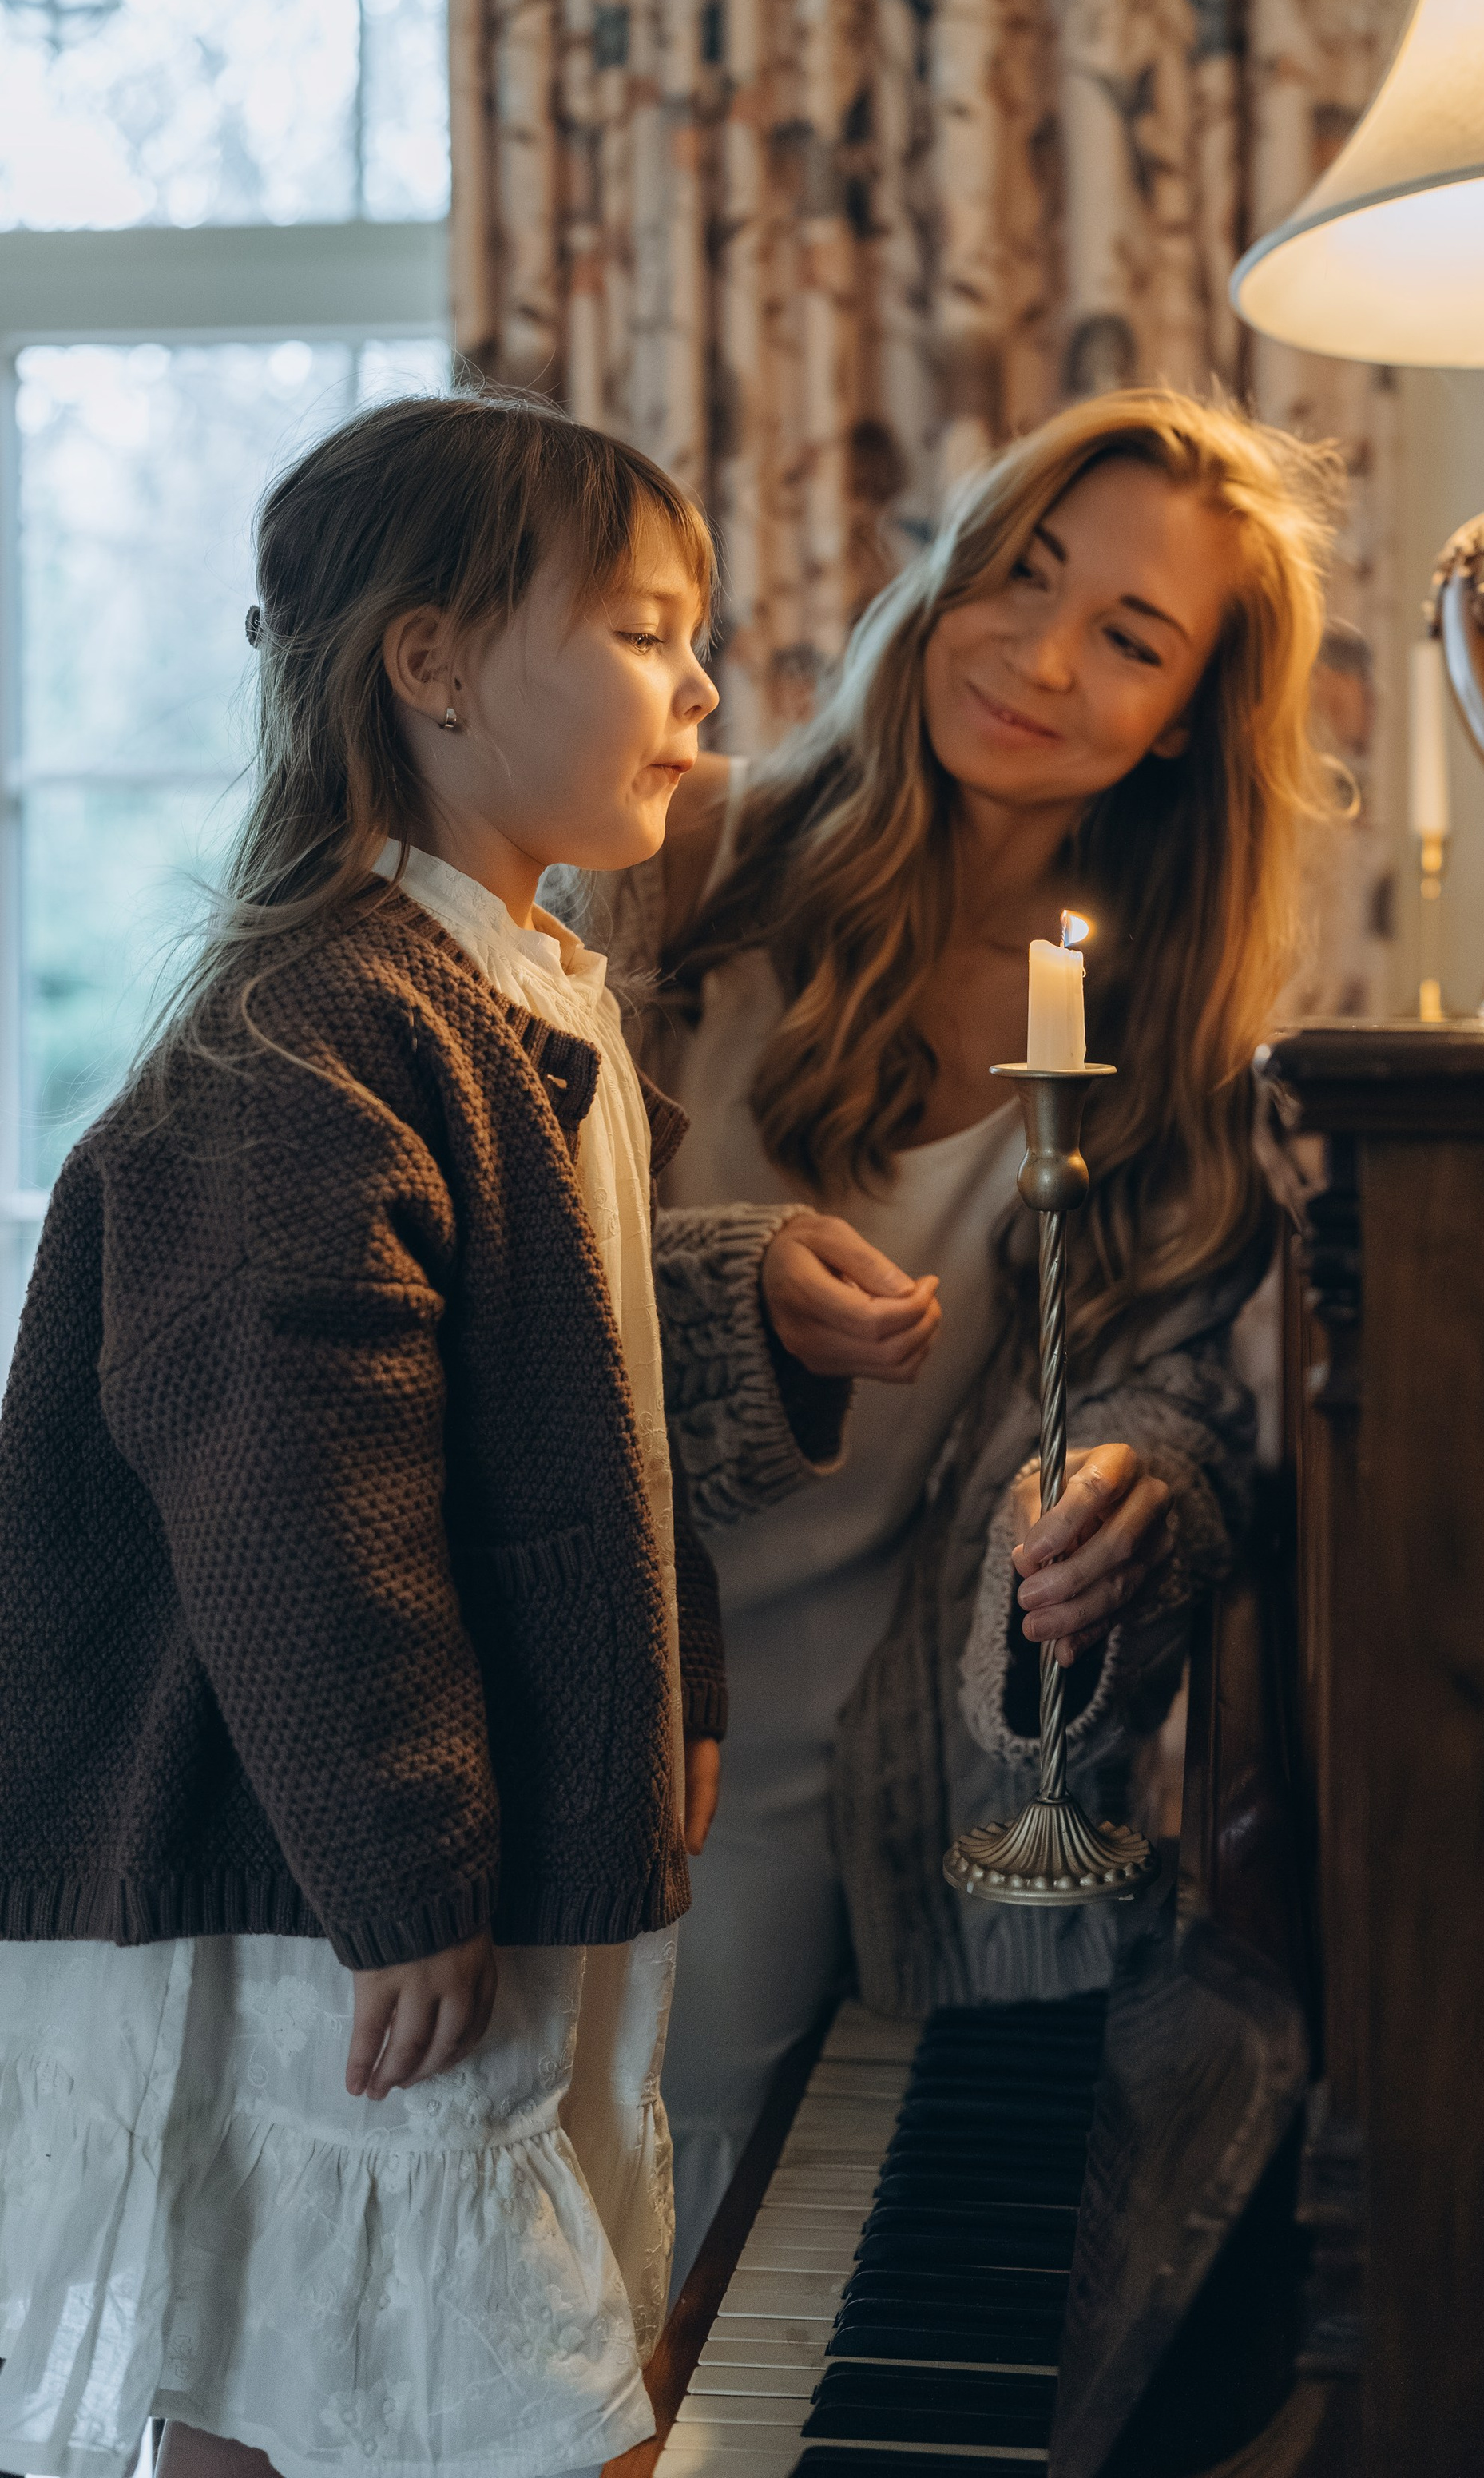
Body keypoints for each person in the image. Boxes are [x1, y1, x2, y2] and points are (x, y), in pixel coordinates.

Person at [0, 393, 922, 2478]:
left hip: (427, 1838)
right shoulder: (323, 1030)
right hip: (315, 1868)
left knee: (314, 2367)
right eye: (643, 629)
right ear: (430, 665)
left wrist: (664, 1651)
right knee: (362, 2366)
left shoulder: (526, 996)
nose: (705, 688)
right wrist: (405, 1871)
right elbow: (303, 1501)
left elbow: (579, 1406)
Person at [577, 387, 1344, 2269]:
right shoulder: (678, 874)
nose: (1039, 653)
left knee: (679, 2299)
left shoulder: (1164, 1052)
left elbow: (1180, 1394)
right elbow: (502, 1258)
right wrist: (737, 1289)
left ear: (1187, 728)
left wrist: (1126, 1486)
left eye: (1131, 640)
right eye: (1022, 572)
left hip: (828, 1760)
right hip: (571, 1685)